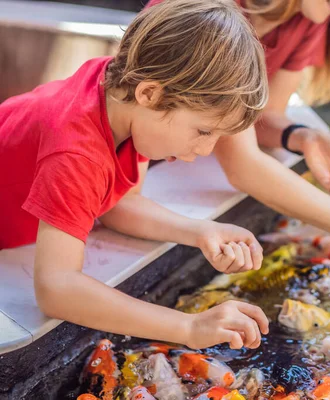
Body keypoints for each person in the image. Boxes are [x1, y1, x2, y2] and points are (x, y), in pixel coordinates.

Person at [0, 0, 270, 351]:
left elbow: (116, 205)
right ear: (150, 93)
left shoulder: (124, 100)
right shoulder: (76, 148)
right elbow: (57, 288)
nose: (206, 151)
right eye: (204, 132)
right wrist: (188, 327)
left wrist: (202, 231)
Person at [146, 0, 330, 196]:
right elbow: (241, 164)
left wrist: (304, 137)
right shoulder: (210, 12)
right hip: (136, 159)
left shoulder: (311, 14)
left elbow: (262, 115)